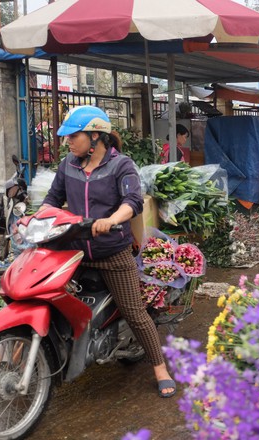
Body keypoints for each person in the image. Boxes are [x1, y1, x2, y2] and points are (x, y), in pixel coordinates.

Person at [39, 106, 177, 398]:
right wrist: (34, 219)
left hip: (113, 253)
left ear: (95, 136)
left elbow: (133, 202)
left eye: (74, 136)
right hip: (74, 252)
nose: (68, 142)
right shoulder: (68, 165)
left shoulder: (121, 165)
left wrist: (113, 220)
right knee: (45, 298)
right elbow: (53, 199)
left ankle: (160, 368)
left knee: (136, 313)